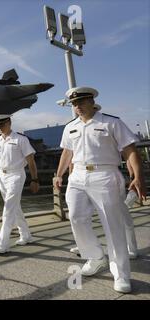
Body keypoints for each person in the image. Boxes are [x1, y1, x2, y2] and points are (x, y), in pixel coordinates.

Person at [54, 86, 146, 293]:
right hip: (77, 175)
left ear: (92, 101)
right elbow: (67, 153)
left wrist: (138, 176)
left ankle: (121, 273)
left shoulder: (112, 122)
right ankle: (95, 257)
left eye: (81, 102)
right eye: (74, 103)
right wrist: (59, 175)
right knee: (76, 218)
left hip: (104, 174)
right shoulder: (70, 127)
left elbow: (130, 150)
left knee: (112, 225)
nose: (77, 106)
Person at [0, 114, 40, 254]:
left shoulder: (21, 139)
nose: (0, 127)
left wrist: (35, 179)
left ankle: (3, 244)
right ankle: (26, 235)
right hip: (2, 175)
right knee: (15, 207)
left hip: (16, 175)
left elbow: (30, 160)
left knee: (8, 209)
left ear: (9, 123)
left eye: (2, 124)